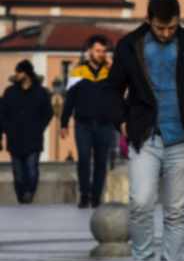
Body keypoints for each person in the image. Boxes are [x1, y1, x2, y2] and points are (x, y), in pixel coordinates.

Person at [109, 0, 184, 261]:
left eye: (172, 27)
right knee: (141, 202)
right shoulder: (129, 45)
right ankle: (143, 260)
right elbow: (112, 90)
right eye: (160, 28)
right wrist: (121, 119)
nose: (167, 33)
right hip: (145, 136)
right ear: (148, 20)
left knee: (176, 209)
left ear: (179, 21)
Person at [60, 34, 120, 207]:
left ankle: (96, 197)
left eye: (103, 51)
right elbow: (69, 100)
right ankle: (84, 194)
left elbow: (121, 89)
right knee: (84, 159)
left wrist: (113, 68)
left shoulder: (109, 72)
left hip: (105, 124)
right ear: (89, 52)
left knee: (102, 162)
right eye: (97, 50)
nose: (101, 54)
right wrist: (64, 123)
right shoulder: (78, 72)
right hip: (83, 124)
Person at [1, 60, 53, 203]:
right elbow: (2, 113)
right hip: (14, 138)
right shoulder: (10, 92)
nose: (16, 75)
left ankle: (29, 193)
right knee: (18, 174)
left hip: (33, 138)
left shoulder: (40, 92)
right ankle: (21, 197)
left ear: (27, 73)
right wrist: (6, 128)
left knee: (31, 170)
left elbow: (48, 113)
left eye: (19, 72)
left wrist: (39, 127)